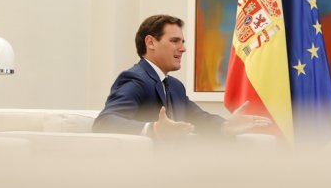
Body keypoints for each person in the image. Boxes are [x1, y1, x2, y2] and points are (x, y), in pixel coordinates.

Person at [93, 14, 268, 139]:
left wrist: (225, 125)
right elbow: (104, 123)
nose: (183, 48)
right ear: (150, 42)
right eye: (174, 41)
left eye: (182, 42)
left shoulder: (175, 86)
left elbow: (199, 118)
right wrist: (153, 129)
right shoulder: (135, 79)